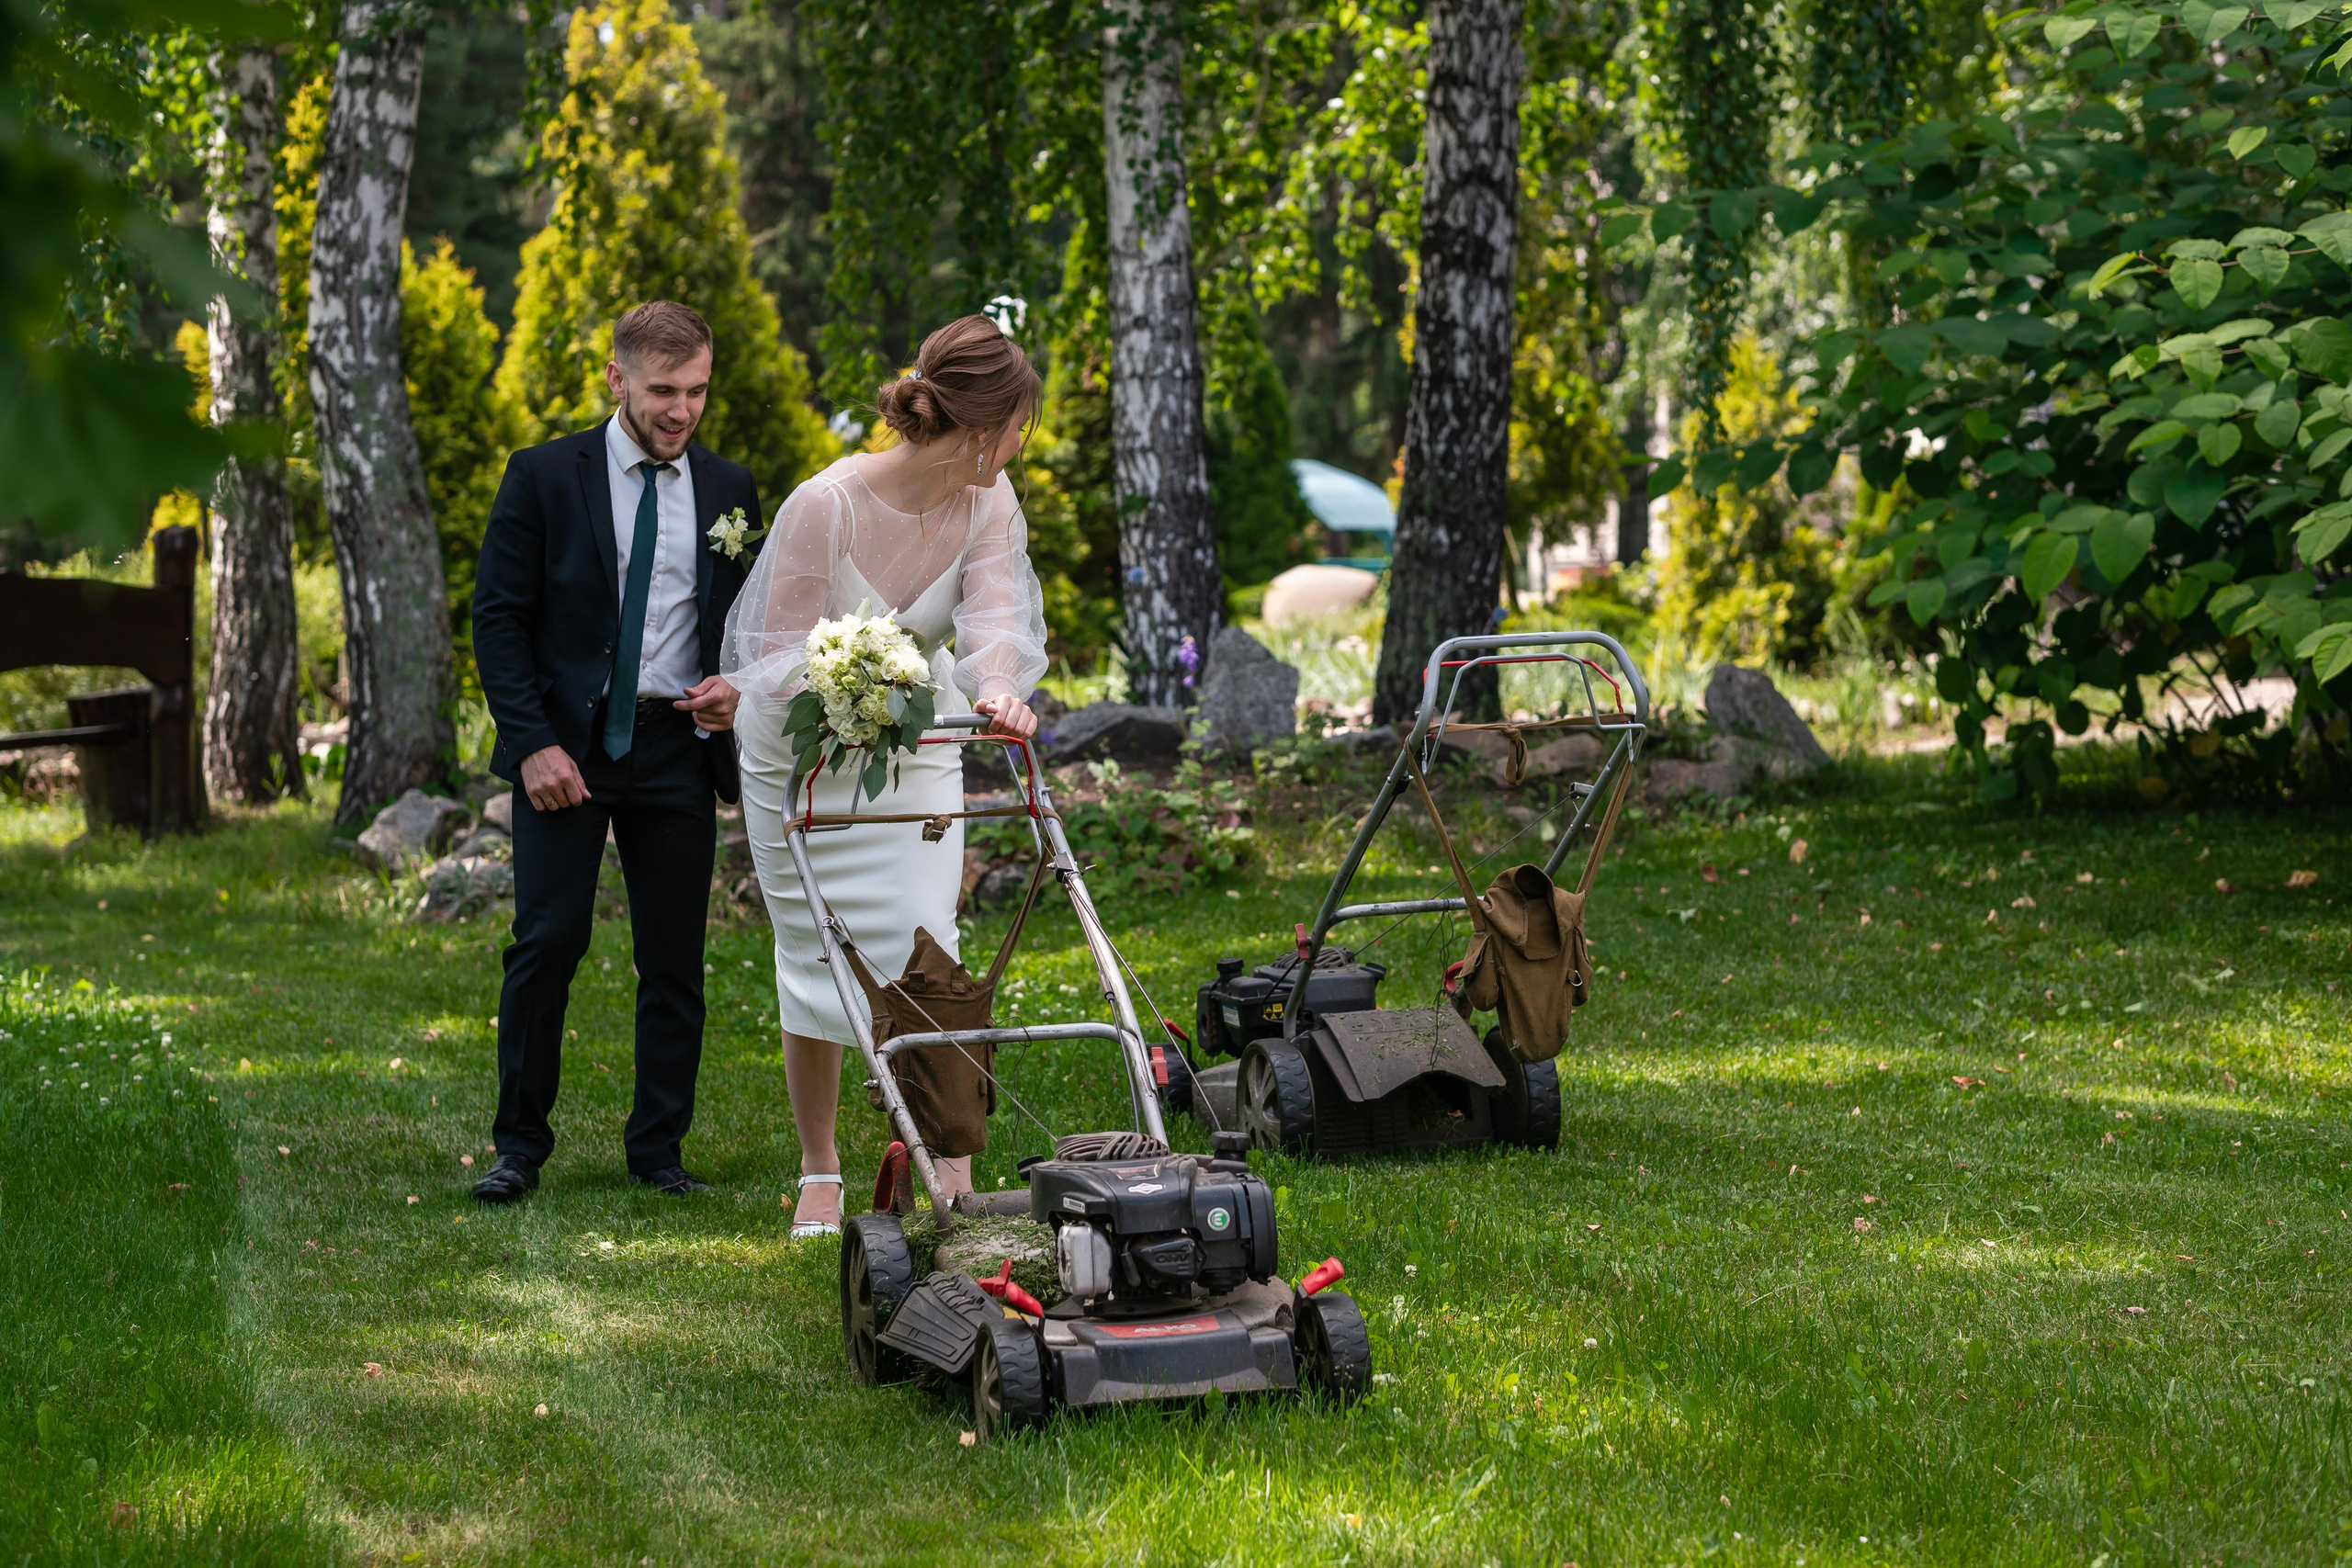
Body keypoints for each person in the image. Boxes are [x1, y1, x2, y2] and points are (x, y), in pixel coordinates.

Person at [724, 314, 1046, 1238]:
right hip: (804, 761)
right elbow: (776, 653)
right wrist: (850, 678)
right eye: (1019, 424)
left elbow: (993, 617)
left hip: (920, 754)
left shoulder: (990, 499)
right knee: (813, 959)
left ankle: (951, 1161)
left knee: (928, 946)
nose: (1020, 442)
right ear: (981, 428)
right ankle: (819, 1166)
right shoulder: (824, 505)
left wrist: (996, 690)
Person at [468, 300, 761, 1203]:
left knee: (673, 958)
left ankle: (657, 1151)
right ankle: (518, 1145)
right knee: (547, 941)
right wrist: (532, 747)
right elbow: (499, 619)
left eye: (698, 391)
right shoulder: (544, 475)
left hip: (676, 746)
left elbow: (751, 621)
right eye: (664, 390)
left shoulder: (731, 491)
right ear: (618, 380)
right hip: (569, 746)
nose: (682, 411)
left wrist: (735, 685)